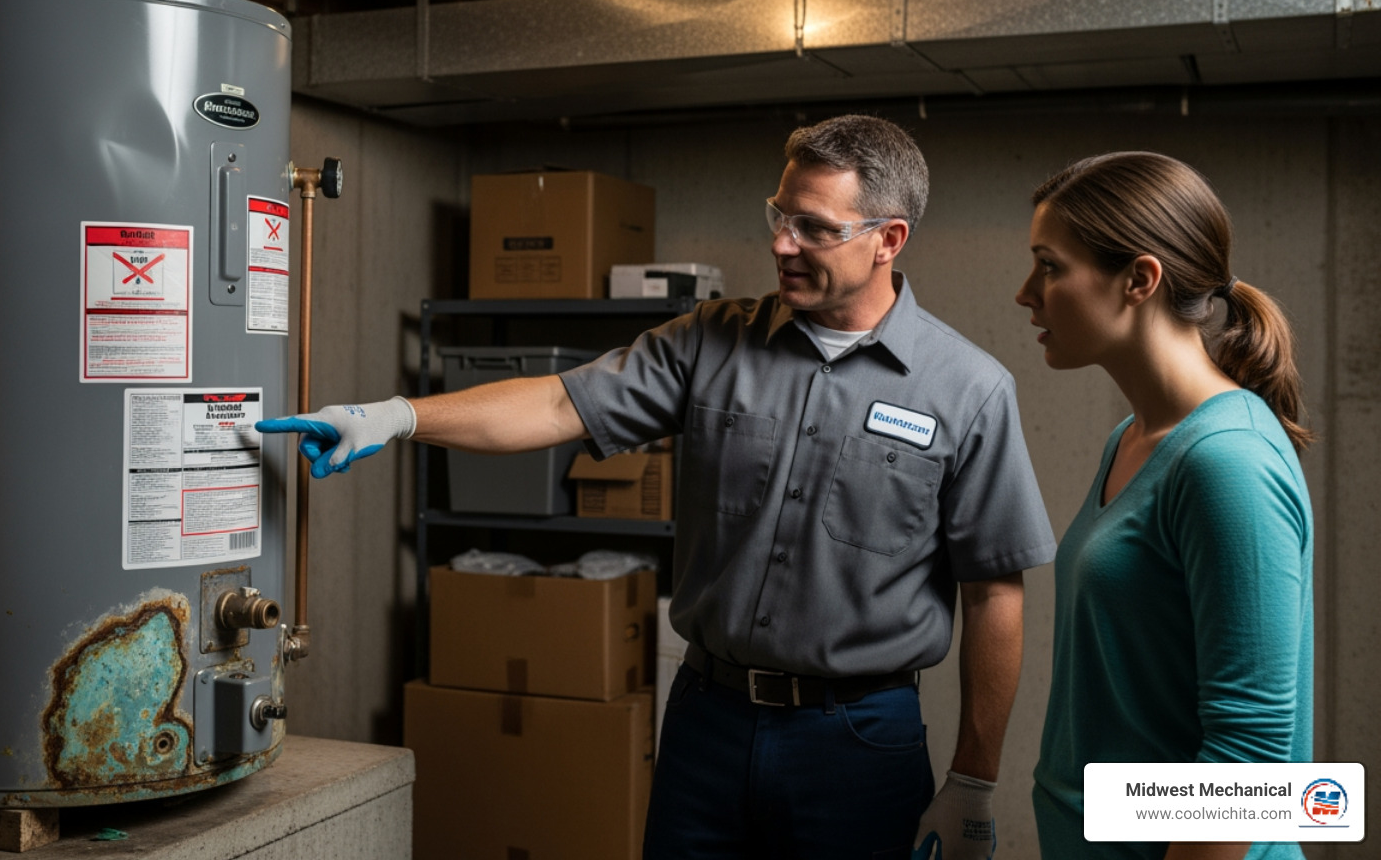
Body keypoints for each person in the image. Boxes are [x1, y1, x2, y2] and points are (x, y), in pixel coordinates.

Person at [260, 115, 1056, 860]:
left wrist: (975, 779)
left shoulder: (967, 390)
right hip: (708, 722)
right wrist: (395, 415)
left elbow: (995, 592)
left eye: (814, 227)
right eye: (779, 214)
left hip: (857, 739)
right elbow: (553, 401)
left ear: (888, 239)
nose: (782, 242)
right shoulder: (709, 340)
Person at [1016, 152, 1314, 860]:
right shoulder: (1134, 436)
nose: (1026, 293)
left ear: (1139, 280)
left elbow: (1247, 760)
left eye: (1049, 266)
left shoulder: (1227, 462)